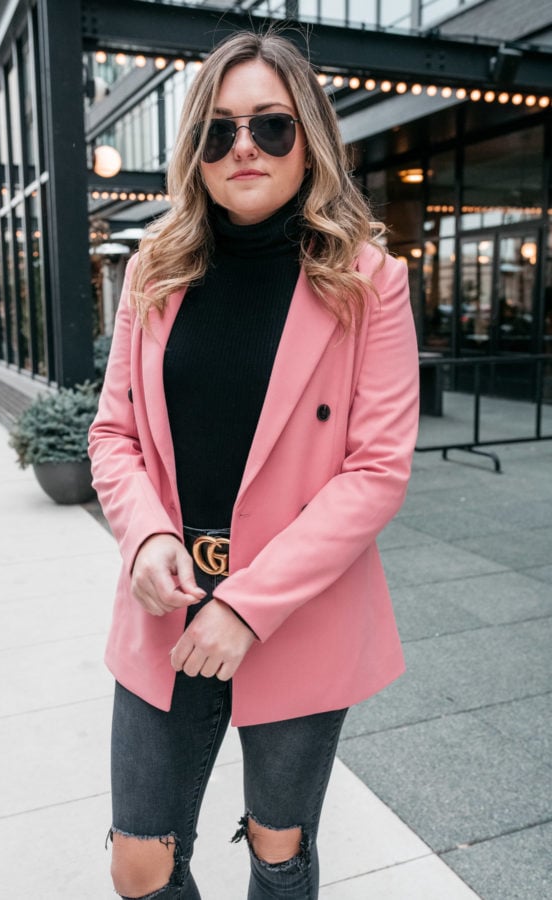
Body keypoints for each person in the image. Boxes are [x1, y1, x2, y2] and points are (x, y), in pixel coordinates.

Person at [89, 29, 419, 900]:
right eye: (218, 130)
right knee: (139, 862)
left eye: (270, 127)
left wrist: (246, 604)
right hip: (167, 605)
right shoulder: (153, 275)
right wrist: (146, 535)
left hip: (296, 607)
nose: (244, 147)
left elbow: (377, 469)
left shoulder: (369, 281)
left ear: (308, 139)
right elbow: (112, 436)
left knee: (279, 850)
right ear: (195, 152)